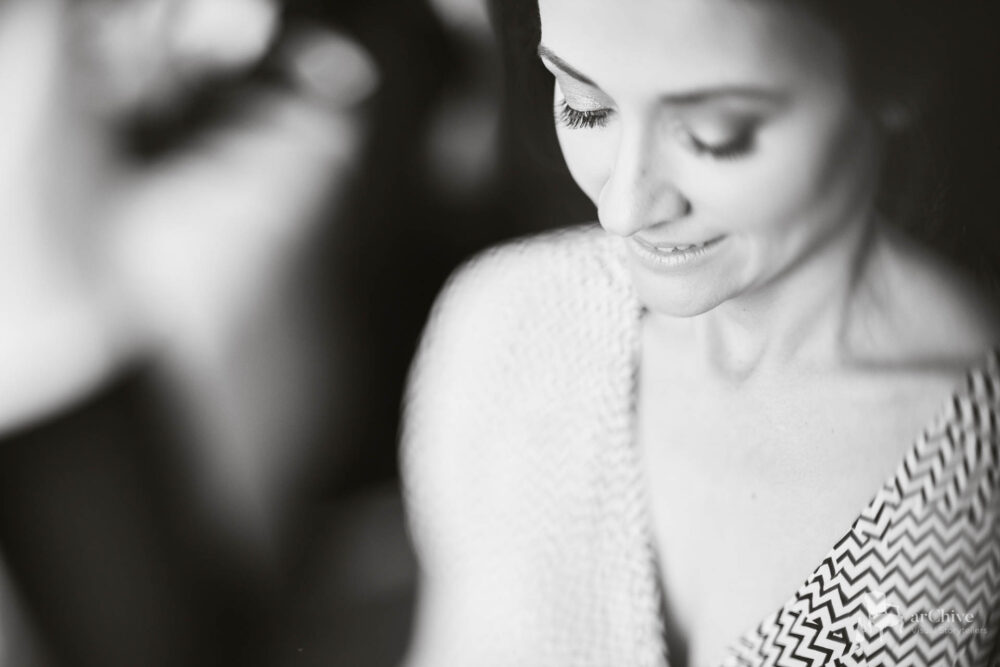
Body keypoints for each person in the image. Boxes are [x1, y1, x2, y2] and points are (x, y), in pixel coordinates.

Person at [399, 0, 1000, 665]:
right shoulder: (510, 321)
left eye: (716, 134)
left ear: (896, 73)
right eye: (584, 106)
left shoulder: (976, 475)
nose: (623, 208)